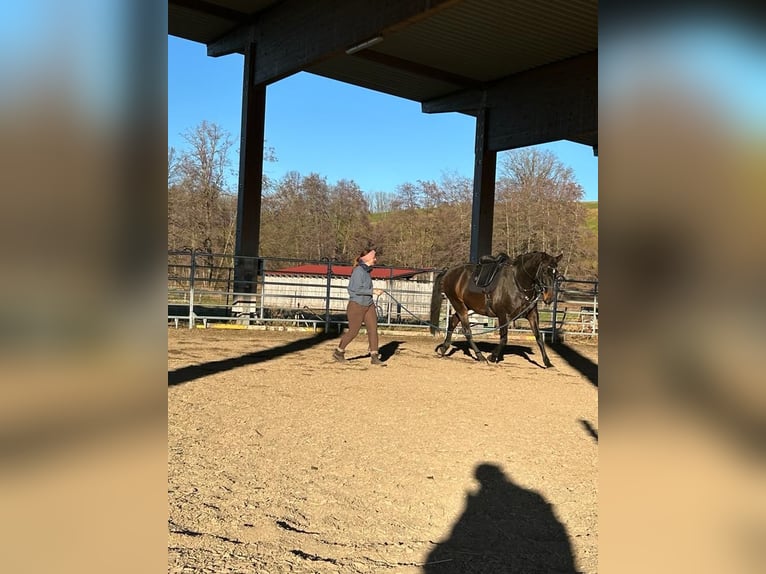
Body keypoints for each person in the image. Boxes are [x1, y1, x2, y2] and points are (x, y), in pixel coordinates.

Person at [332, 248, 386, 366]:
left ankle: (374, 355)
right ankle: (339, 352)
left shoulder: (366, 272)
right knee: (353, 331)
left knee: (373, 329)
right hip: (356, 305)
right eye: (373, 258)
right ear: (367, 259)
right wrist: (373, 291)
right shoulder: (358, 272)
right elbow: (355, 290)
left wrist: (371, 293)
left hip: (368, 304)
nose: (375, 259)